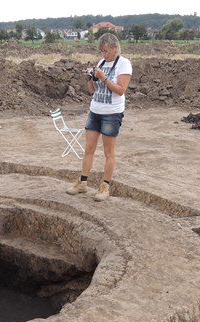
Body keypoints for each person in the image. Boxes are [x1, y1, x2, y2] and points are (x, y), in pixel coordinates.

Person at [66, 33, 133, 201]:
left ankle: (105, 187)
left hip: (112, 113)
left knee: (108, 152)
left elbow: (120, 90)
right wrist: (90, 79)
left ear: (115, 48)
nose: (103, 55)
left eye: (105, 51)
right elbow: (92, 91)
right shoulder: (101, 63)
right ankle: (82, 183)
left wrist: (103, 78)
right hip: (95, 111)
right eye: (101, 51)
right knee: (89, 148)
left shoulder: (124, 64)